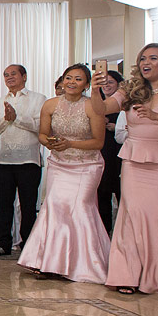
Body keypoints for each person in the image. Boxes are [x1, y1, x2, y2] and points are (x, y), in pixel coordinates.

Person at [93, 43, 158, 295]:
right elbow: (100, 110)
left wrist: (157, 117)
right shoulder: (130, 90)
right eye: (142, 58)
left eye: (152, 58)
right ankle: (128, 274)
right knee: (133, 214)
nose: (145, 62)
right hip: (134, 160)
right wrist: (96, 90)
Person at [18, 64, 109, 282]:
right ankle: (48, 262)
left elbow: (98, 142)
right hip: (59, 163)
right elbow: (42, 134)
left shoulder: (92, 107)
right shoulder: (50, 105)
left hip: (86, 165)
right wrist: (51, 143)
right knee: (56, 208)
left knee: (80, 208)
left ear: (86, 84)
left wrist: (71, 143)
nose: (71, 82)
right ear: (62, 80)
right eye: (68, 78)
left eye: (78, 79)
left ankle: (84, 264)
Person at [0, 64, 47, 256]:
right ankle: (3, 242)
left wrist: (17, 118)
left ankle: (28, 242)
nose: (9, 77)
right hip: (4, 160)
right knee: (3, 204)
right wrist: (6, 119)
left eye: (13, 74)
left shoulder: (39, 99)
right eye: (6, 75)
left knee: (28, 205)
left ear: (24, 76)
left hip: (29, 160)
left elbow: (41, 126)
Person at [95, 69, 125, 233]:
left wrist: (117, 128)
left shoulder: (126, 106)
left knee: (123, 194)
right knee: (102, 194)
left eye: (111, 82)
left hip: (120, 153)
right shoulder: (96, 105)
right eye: (104, 82)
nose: (106, 85)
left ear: (119, 85)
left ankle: (123, 233)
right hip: (102, 152)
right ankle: (104, 233)